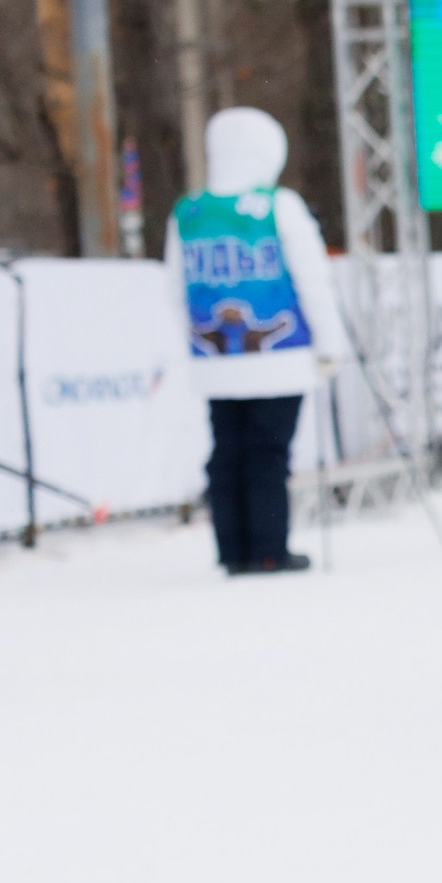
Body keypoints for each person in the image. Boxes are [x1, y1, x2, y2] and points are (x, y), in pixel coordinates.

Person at [163, 107, 346, 575]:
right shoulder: (277, 205)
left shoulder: (189, 210)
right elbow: (311, 279)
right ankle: (268, 547)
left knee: (227, 450)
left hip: (214, 356)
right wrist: (330, 343)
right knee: (268, 451)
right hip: (278, 355)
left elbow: (173, 287)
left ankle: (234, 547)